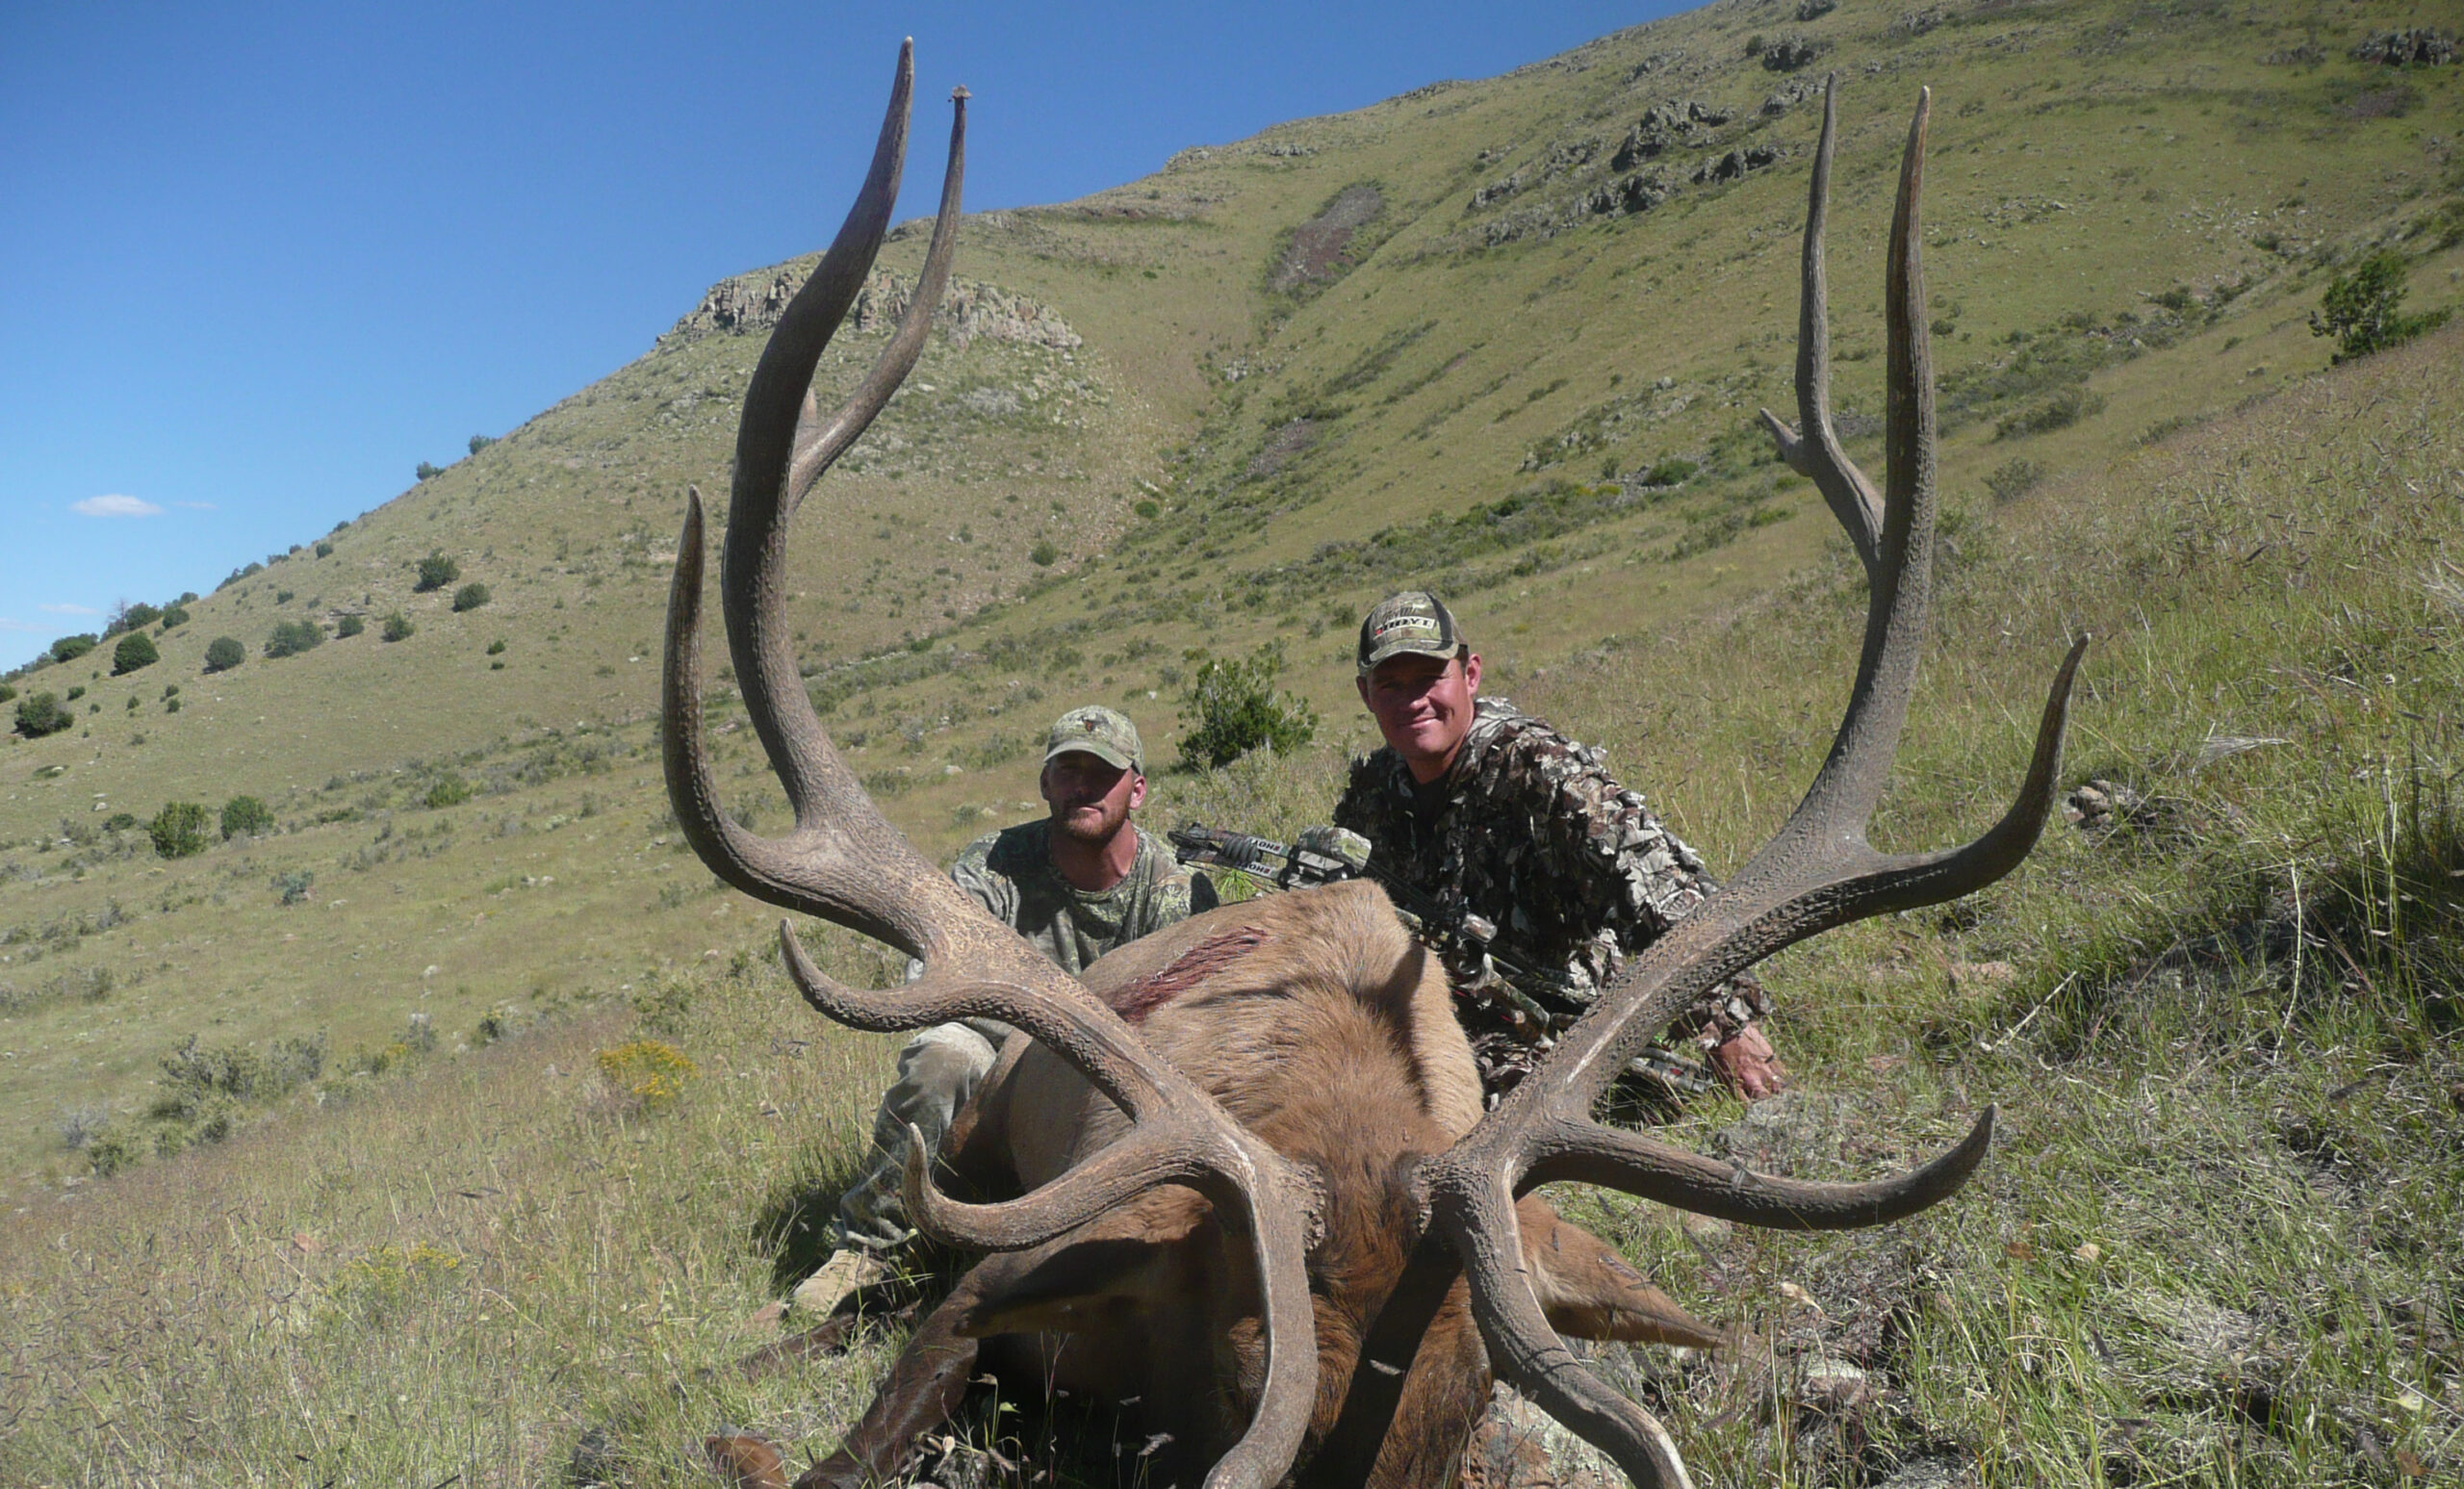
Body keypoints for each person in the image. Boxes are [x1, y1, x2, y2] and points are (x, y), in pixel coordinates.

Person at [793, 705, 1212, 1316]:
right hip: (1003, 1060)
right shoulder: (991, 867)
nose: (1083, 786)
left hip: (1114, 1076)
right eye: (1068, 771)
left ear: (1137, 789)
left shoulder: (1175, 890)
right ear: (1046, 784)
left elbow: (1183, 1024)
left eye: (1103, 773)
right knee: (940, 1058)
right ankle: (867, 1248)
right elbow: (936, 984)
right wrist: (1035, 1039)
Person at [1331, 589, 1787, 1105]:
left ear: (1470, 674)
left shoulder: (1540, 771)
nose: (1413, 701)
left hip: (1558, 1028)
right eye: (1391, 684)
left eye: (1429, 678)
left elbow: (1663, 883)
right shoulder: (1374, 792)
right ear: (1366, 695)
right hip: (1438, 1014)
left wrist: (1727, 1025)